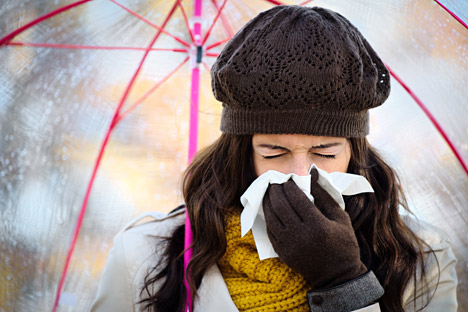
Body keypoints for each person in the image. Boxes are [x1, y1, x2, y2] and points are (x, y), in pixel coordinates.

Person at [90, 5, 458, 312]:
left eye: (325, 152)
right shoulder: (145, 254)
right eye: (274, 152)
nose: (299, 174)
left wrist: (345, 281)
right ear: (240, 153)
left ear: (354, 152)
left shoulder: (421, 260)